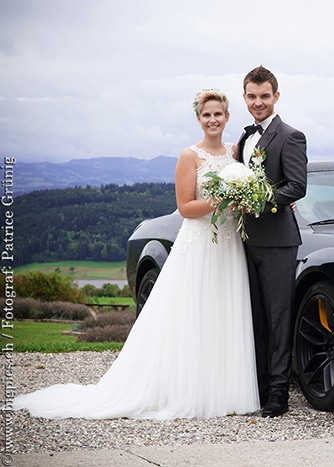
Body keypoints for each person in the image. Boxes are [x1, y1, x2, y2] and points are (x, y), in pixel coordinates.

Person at [14, 89, 260, 419]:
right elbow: (185, 207)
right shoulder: (190, 156)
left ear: (228, 117)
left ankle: (227, 392)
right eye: (207, 115)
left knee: (225, 310)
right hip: (200, 245)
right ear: (199, 119)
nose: (213, 120)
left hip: (230, 245)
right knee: (193, 313)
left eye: (218, 114)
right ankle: (189, 391)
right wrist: (222, 200)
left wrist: (243, 198)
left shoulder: (235, 154)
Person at [237, 66, 307, 417]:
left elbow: (296, 186)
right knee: (254, 318)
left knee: (278, 319)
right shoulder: (245, 138)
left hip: (278, 241)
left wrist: (258, 201)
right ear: (244, 97)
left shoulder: (290, 136)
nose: (258, 102)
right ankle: (259, 388)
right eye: (252, 96)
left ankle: (279, 394)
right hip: (244, 242)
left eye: (265, 96)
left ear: (276, 97)